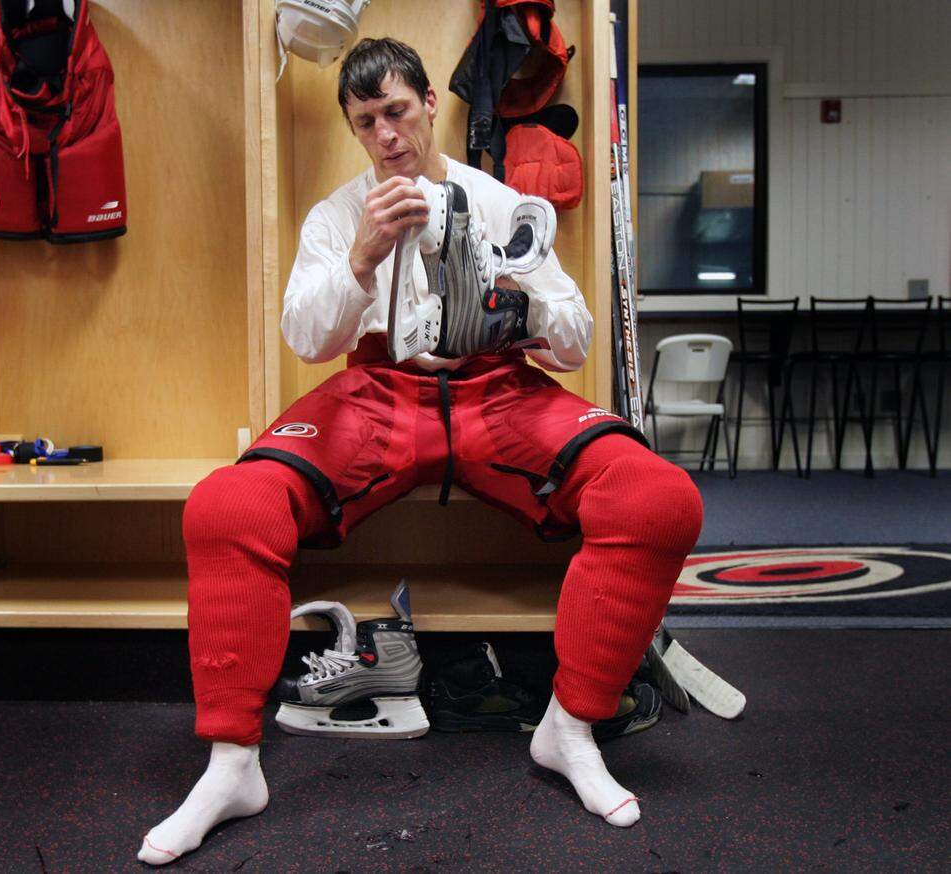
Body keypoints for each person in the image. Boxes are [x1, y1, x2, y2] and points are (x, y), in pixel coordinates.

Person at [138, 37, 702, 866]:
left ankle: (571, 725)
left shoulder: (498, 199)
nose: (387, 135)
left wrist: (517, 307)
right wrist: (362, 259)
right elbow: (307, 335)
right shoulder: (338, 215)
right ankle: (232, 764)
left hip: (497, 393)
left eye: (397, 111)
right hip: (379, 393)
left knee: (661, 501)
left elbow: (576, 341)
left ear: (431, 103)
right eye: (366, 122)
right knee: (226, 505)